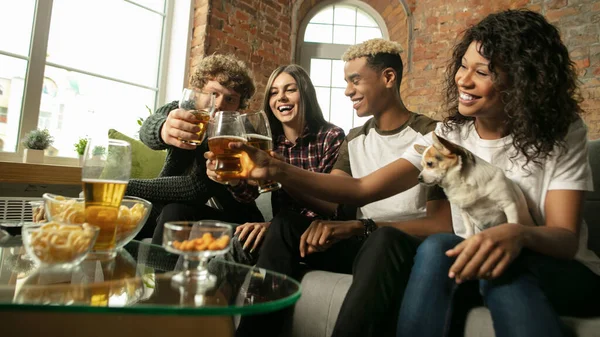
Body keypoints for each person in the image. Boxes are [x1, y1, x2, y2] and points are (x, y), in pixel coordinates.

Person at [235, 10, 600, 337]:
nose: (464, 80)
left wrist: (516, 234)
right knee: (440, 248)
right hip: (467, 254)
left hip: (553, 263)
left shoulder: (560, 133)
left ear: (523, 83)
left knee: (488, 268)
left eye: (482, 72)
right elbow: (360, 189)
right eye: (463, 66)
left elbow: (565, 238)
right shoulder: (450, 136)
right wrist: (277, 169)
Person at [229, 39, 452, 337]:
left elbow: (442, 223)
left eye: (355, 80)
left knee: (384, 239)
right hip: (361, 240)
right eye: (346, 82)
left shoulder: (433, 134)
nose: (348, 90)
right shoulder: (354, 137)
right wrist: (280, 175)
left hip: (399, 247)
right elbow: (334, 199)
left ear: (388, 78)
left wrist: (361, 227)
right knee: (284, 224)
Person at [207, 64, 345, 261]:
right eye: (273, 92)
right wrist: (234, 179)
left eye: (290, 89)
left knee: (239, 246)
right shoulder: (272, 141)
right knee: (207, 235)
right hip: (279, 227)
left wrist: (271, 226)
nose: (281, 97)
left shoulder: (330, 136)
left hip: (312, 232)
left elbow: (332, 206)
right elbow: (249, 195)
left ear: (306, 94)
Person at [127, 54, 264, 243]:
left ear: (238, 106)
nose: (219, 104)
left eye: (230, 99)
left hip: (235, 217)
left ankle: (162, 273)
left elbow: (196, 188)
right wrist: (163, 129)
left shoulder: (236, 133)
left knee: (173, 211)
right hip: (183, 208)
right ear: (198, 91)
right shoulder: (184, 111)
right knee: (127, 215)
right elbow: (148, 127)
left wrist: (126, 186)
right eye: (214, 93)